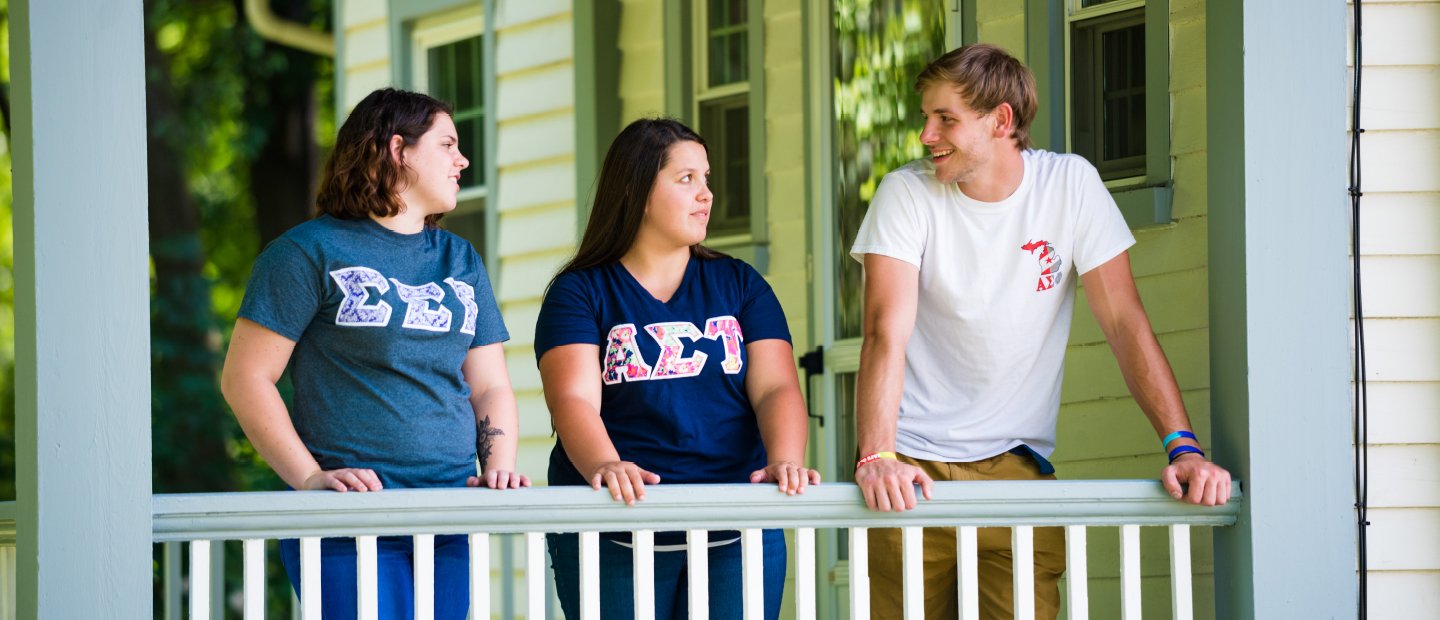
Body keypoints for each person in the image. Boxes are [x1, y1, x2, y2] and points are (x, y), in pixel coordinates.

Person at [849, 44, 1233, 619]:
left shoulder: (1070, 186)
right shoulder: (906, 194)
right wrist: (875, 455)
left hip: (1017, 468)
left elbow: (1126, 323)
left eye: (946, 119)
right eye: (926, 117)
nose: (926, 135)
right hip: (910, 467)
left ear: (1001, 120)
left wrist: (1184, 448)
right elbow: (885, 331)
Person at [220, 87, 528, 619]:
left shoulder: (459, 258)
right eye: (447, 144)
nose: (463, 159)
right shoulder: (306, 252)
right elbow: (246, 378)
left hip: (448, 518)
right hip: (347, 520)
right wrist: (311, 479)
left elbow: (490, 384)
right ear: (397, 150)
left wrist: (497, 468)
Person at [535, 118, 820, 619]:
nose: (705, 194)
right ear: (638, 190)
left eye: (706, 179)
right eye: (686, 179)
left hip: (736, 524)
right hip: (615, 526)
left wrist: (785, 458)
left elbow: (776, 387)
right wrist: (606, 465)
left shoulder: (740, 283)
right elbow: (573, 401)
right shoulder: (579, 292)